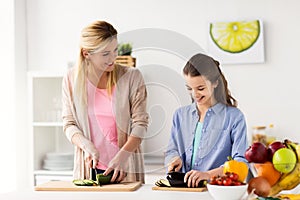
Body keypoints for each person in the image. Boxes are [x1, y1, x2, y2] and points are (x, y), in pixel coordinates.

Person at [62, 20, 149, 183]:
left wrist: (123, 157)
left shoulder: (131, 76)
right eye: (105, 53)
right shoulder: (71, 79)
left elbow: (141, 124)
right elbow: (69, 123)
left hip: (125, 169)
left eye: (115, 50)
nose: (113, 58)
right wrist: (86, 146)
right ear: (86, 53)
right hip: (88, 170)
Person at [165, 53, 248, 187]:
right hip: (184, 191)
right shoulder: (180, 115)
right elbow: (171, 150)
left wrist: (208, 175)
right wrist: (174, 159)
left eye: (200, 88)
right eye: (189, 88)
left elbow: (241, 163)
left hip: (217, 191)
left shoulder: (234, 117)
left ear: (215, 82)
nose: (194, 94)